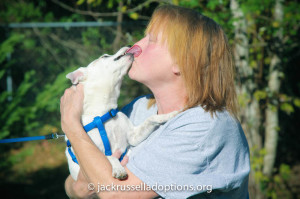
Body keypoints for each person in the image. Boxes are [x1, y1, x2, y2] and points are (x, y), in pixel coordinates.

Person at [60, 5, 250, 199]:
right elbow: (75, 181)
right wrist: (77, 189)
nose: (137, 46)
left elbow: (116, 194)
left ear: (183, 61)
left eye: (151, 40)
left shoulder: (207, 126)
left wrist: (71, 125)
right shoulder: (138, 108)